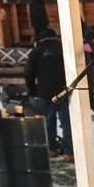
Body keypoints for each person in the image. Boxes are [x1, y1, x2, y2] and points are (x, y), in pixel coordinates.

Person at [27, 28, 70, 157]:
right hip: (66, 91)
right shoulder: (65, 49)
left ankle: (51, 149)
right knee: (67, 124)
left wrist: (32, 89)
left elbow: (28, 72)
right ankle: (70, 153)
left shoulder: (36, 51)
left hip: (45, 92)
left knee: (48, 122)